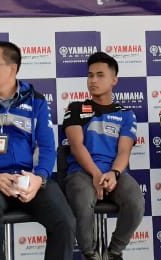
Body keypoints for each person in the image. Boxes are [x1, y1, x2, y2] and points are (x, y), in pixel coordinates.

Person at [0, 41, 75, 260]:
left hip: (28, 178)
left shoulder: (36, 100)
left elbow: (47, 147)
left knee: (64, 221)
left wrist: (40, 179)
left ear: (12, 68)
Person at [62, 52, 145, 260]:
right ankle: (90, 253)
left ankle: (114, 252)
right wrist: (97, 174)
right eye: (90, 75)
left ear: (114, 80)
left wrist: (114, 173)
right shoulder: (76, 108)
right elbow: (76, 147)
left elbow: (124, 151)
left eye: (100, 75)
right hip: (81, 172)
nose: (93, 80)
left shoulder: (126, 114)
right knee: (83, 200)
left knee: (135, 201)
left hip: (114, 172)